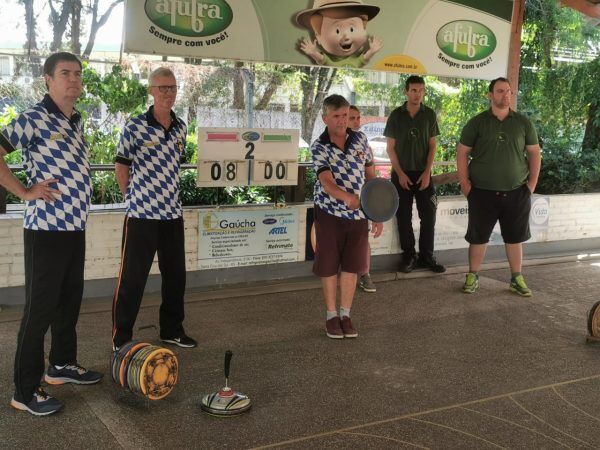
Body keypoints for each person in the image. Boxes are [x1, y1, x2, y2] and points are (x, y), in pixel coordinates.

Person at [0, 52, 102, 416]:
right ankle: (25, 391)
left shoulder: (75, 120)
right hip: (46, 228)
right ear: (47, 78)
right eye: (64, 73)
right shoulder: (33, 117)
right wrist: (25, 191)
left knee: (69, 301)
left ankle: (61, 364)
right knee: (39, 310)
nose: (73, 79)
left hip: (74, 226)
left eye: (77, 73)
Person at [112, 67, 196, 350]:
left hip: (172, 214)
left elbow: (174, 167)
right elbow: (121, 167)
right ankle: (121, 338)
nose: (168, 93)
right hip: (141, 215)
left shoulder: (181, 127)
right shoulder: (134, 126)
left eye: (172, 87)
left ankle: (171, 330)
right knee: (132, 280)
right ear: (151, 90)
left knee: (175, 277)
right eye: (162, 88)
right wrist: (132, 199)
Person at [457, 77, 541, 296]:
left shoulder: (523, 123)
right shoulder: (477, 122)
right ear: (490, 95)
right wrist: (465, 185)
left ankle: (516, 278)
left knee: (515, 238)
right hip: (481, 192)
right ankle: (472, 275)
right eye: (501, 91)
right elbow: (462, 152)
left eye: (509, 91)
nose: (506, 95)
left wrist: (531, 184)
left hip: (516, 192)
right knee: (478, 237)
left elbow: (534, 153)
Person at [311, 94, 383, 339]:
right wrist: (348, 198)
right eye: (336, 116)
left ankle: (346, 314)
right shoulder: (319, 146)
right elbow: (326, 182)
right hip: (329, 213)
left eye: (345, 116)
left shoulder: (361, 139)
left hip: (359, 215)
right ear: (325, 118)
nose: (342, 121)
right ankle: (331, 316)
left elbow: (371, 176)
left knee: (352, 266)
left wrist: (377, 211)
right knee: (329, 267)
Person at [384, 75, 445, 274]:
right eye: (413, 90)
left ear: (424, 91)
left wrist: (427, 173)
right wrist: (400, 173)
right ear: (406, 91)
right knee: (403, 216)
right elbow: (390, 148)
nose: (417, 94)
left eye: (420, 90)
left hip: (423, 174)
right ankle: (409, 256)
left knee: (429, 215)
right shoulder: (396, 115)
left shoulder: (429, 115)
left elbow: (433, 146)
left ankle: (427, 256)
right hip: (401, 174)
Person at [348, 105, 376, 293]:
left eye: (358, 118)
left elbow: (370, 174)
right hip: (338, 202)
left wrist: (373, 204)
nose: (357, 122)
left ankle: (365, 275)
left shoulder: (363, 141)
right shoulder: (329, 142)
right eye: (353, 118)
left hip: (361, 201)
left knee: (363, 239)